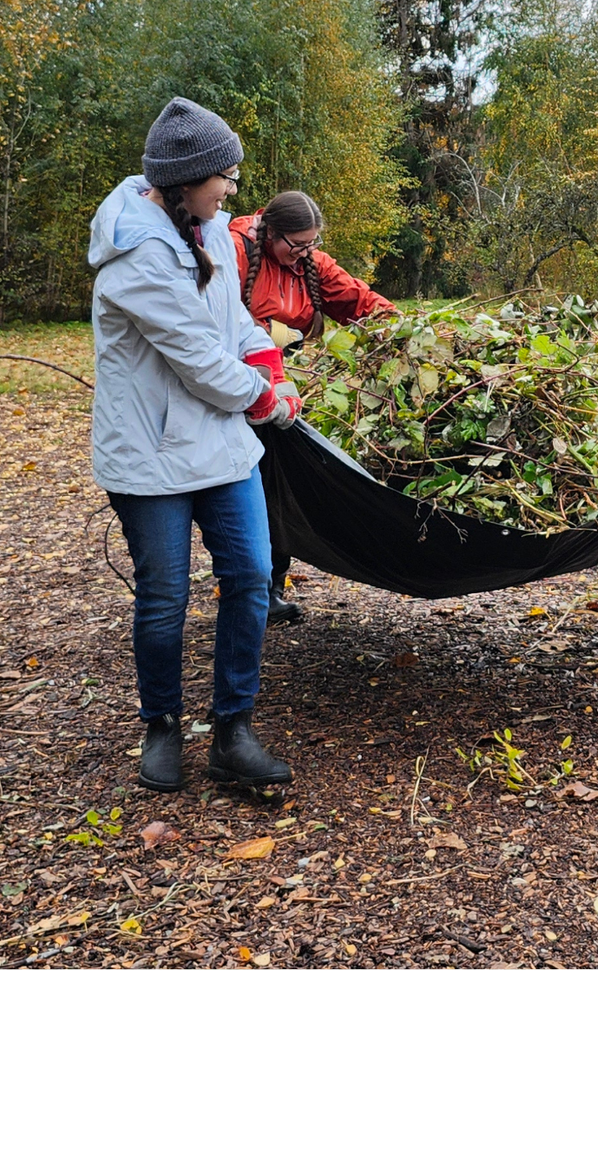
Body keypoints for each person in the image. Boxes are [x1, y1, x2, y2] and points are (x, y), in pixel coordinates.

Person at [88, 96, 301, 791]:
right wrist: (264, 399)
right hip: (150, 452)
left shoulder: (206, 229)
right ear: (186, 178)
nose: (233, 190)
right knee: (164, 595)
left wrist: (266, 361)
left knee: (249, 576)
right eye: (226, 177)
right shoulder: (137, 253)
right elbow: (198, 361)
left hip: (216, 441)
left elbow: (231, 321)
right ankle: (162, 725)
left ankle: (233, 730)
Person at [226, 190, 396, 625]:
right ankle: (252, 591)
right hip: (243, 384)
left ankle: (270, 588)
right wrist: (265, 378)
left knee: (285, 484)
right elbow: (221, 318)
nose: (303, 253)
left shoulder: (311, 266)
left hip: (293, 390)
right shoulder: (235, 250)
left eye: (311, 245)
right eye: (295, 245)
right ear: (270, 232)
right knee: (258, 486)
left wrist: (401, 330)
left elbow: (359, 301)